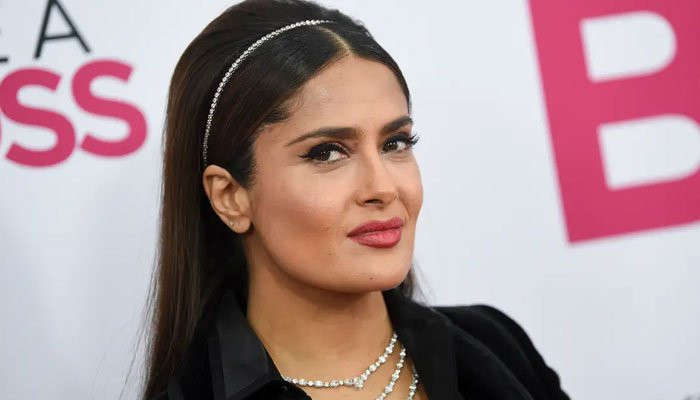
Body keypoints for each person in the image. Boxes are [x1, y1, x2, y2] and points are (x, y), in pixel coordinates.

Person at [143, 0, 570, 399]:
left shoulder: (494, 346)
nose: (383, 188)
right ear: (231, 197)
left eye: (395, 143)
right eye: (327, 152)